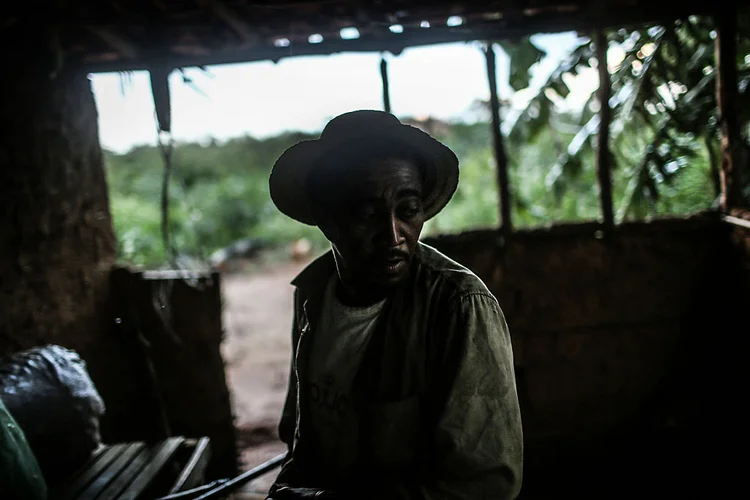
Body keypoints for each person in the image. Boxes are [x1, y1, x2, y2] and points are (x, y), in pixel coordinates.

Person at [267, 110, 522, 500]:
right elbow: (302, 432)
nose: (393, 236)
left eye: (407, 211)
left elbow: (486, 483)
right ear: (326, 217)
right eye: (367, 213)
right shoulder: (313, 292)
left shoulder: (459, 306)